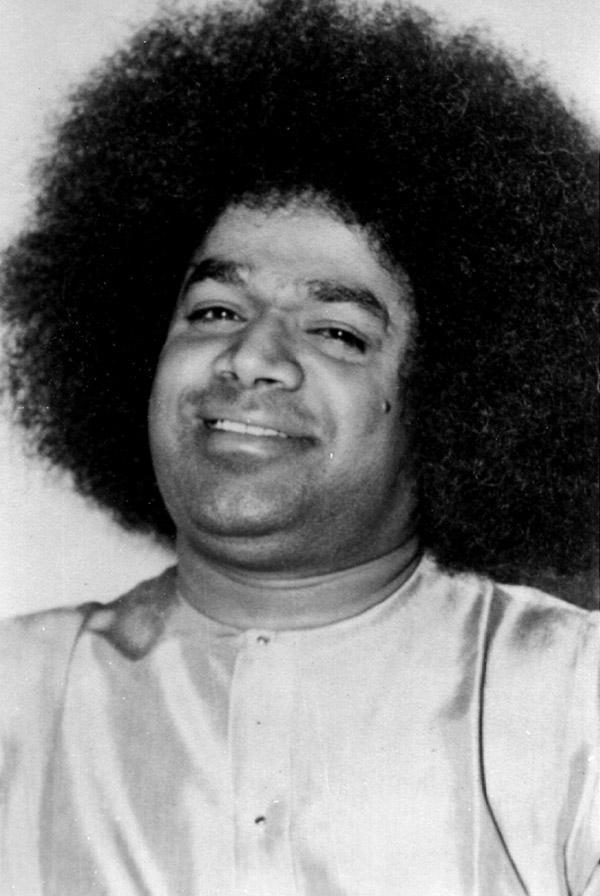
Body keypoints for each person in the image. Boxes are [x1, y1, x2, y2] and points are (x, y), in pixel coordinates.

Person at [0, 0, 598, 893]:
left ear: (459, 397)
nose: (250, 357)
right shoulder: (17, 693)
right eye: (215, 310)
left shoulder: (574, 697)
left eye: (338, 332)